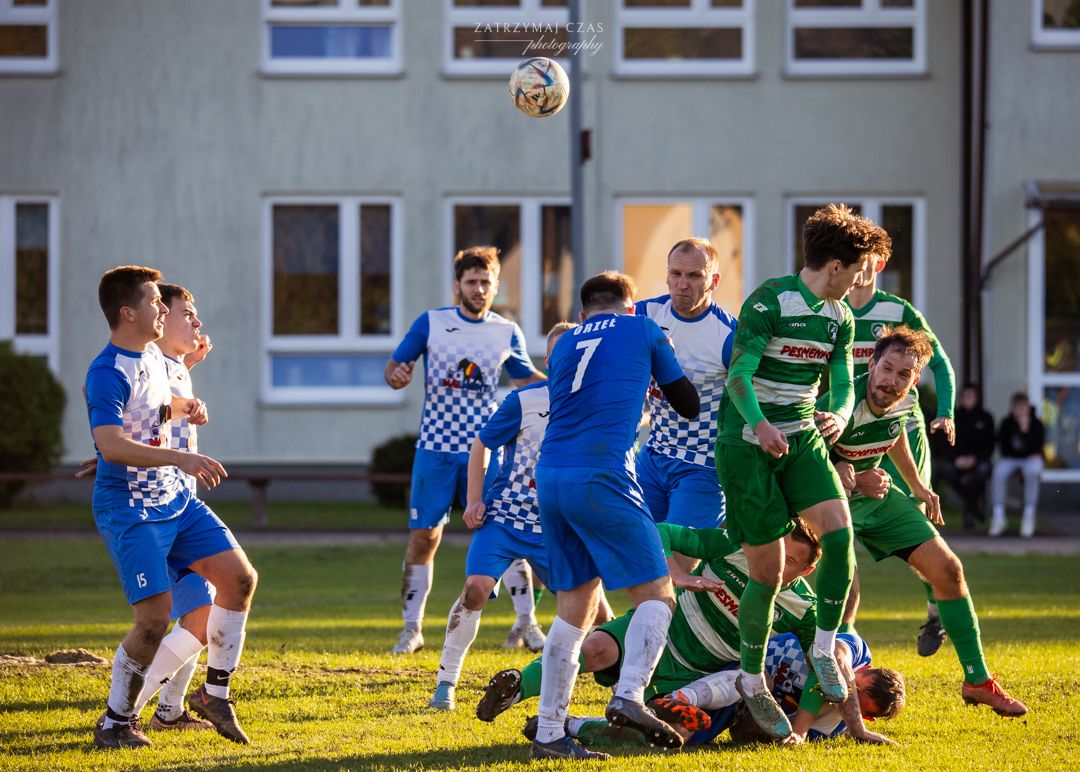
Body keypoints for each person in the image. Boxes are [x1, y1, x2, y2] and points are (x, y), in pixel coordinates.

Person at [479, 520, 895, 747]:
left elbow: (822, 666)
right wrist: (675, 571)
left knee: (671, 736)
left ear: (808, 570)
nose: (776, 560)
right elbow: (658, 532)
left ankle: (569, 726)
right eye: (778, 549)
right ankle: (517, 687)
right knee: (598, 647)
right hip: (661, 631)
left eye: (790, 561)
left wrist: (805, 729)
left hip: (697, 672)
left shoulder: (803, 609)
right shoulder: (732, 545)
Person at [715, 203, 876, 740]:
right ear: (835, 265)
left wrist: (841, 413)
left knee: (840, 536)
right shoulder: (770, 300)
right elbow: (739, 376)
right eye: (858, 270)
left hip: (802, 438)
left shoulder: (840, 317)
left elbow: (844, 383)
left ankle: (825, 648)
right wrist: (760, 425)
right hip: (746, 445)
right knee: (768, 571)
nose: (861, 280)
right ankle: (750, 678)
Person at [527, 271, 699, 760]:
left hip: (551, 476)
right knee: (658, 595)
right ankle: (629, 695)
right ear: (630, 306)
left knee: (574, 608)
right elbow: (687, 403)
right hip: (603, 473)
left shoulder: (565, 344)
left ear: (584, 314)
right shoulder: (642, 327)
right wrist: (659, 371)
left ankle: (549, 734)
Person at [85, 267, 257, 749]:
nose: (162, 308)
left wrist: (186, 408)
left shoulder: (156, 360)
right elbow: (112, 440)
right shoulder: (106, 371)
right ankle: (116, 722)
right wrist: (163, 456)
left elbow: (152, 411)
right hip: (131, 508)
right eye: (154, 301)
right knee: (154, 620)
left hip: (175, 498)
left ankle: (214, 694)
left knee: (239, 579)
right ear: (128, 313)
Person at [830, 325, 1027, 717]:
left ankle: (977, 681)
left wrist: (918, 486)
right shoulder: (842, 397)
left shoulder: (906, 399)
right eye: (887, 368)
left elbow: (895, 432)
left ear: (915, 379)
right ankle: (834, 684)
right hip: (826, 498)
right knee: (844, 591)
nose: (892, 380)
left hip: (876, 497)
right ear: (871, 363)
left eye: (904, 374)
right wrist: (850, 474)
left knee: (949, 570)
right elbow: (805, 455)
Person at [384, 246, 545, 655]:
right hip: (435, 449)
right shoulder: (432, 323)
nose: (479, 289)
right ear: (457, 284)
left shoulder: (506, 331)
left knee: (507, 530)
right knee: (424, 537)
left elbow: (526, 379)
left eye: (486, 282)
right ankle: (411, 629)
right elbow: (393, 368)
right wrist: (397, 375)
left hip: (487, 452)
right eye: (471, 282)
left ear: (496, 285)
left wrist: (568, 387)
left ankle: (527, 623)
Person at [428, 322, 573, 712]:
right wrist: (474, 500)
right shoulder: (524, 400)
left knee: (586, 606)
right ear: (548, 360)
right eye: (557, 355)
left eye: (572, 353)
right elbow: (482, 444)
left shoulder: (594, 403)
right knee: (475, 589)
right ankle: (445, 684)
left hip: (556, 525)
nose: (565, 361)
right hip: (505, 518)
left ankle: (621, 686)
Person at [843, 225, 958, 656]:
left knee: (916, 522)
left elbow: (940, 364)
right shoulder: (831, 308)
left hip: (900, 431)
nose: (857, 268)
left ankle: (935, 609)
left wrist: (945, 411)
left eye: (865, 259)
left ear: (879, 264)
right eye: (851, 258)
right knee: (837, 524)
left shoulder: (898, 311)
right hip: (852, 430)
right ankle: (840, 631)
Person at [542, 630, 905, 750]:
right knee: (755, 680)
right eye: (855, 689)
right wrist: (803, 726)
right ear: (865, 670)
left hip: (735, 705)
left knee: (672, 738)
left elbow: (746, 736)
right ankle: (678, 697)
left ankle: (572, 724)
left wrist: (781, 732)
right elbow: (833, 661)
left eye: (860, 707)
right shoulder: (855, 649)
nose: (845, 698)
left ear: (869, 716)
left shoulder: (833, 726)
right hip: (728, 663)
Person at [634, 238, 738, 538]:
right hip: (653, 458)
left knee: (678, 557)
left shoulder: (729, 335)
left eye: (694, 276)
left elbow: (758, 398)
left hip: (703, 466)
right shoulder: (644, 314)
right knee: (640, 555)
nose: (682, 284)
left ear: (713, 281)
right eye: (675, 273)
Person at [990, 392, 1046, 538]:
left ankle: (1028, 515)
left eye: (1023, 406)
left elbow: (1037, 447)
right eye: (1018, 407)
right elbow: (1004, 448)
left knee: (1032, 471)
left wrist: (1025, 430)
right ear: (1012, 408)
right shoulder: (1006, 423)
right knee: (999, 472)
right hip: (1011, 459)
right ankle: (998, 516)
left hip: (1030, 460)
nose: (1021, 410)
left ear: (1028, 407)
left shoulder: (1036, 424)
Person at [940, 384, 995, 529]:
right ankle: (973, 506)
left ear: (976, 398)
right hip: (957, 460)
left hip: (979, 460)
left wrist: (974, 459)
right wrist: (956, 459)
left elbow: (990, 444)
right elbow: (945, 443)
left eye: (971, 396)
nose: (968, 399)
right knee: (945, 468)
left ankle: (969, 507)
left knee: (983, 470)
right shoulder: (953, 417)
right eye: (965, 396)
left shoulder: (986, 417)